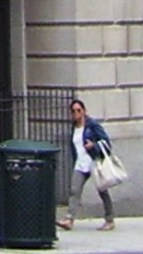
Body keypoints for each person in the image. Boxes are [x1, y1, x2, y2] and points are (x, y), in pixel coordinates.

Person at [60, 96, 116, 230]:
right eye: (73, 111)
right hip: (80, 164)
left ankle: (110, 219)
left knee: (102, 190)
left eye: (79, 110)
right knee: (74, 190)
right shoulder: (74, 128)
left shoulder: (92, 125)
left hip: (94, 162)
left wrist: (94, 146)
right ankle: (69, 219)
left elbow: (106, 142)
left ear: (84, 111)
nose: (76, 114)